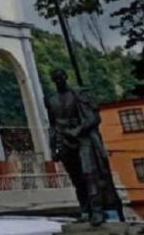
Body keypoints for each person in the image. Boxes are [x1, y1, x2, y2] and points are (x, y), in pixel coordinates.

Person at [44, 68, 116, 225]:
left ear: (66, 77)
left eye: (61, 78)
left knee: (89, 173)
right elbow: (52, 124)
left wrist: (78, 129)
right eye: (55, 79)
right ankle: (85, 210)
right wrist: (52, 148)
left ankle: (97, 211)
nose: (59, 81)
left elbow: (94, 117)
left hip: (83, 138)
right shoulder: (51, 99)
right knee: (77, 178)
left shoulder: (80, 94)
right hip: (64, 140)